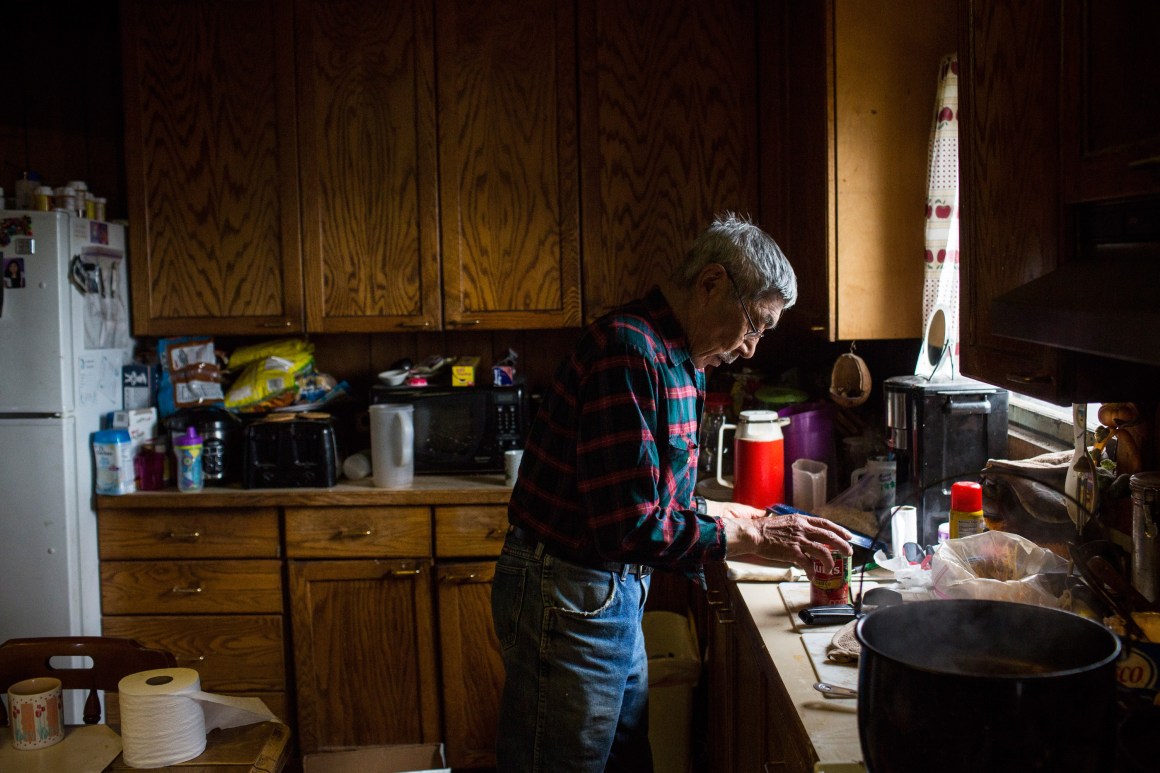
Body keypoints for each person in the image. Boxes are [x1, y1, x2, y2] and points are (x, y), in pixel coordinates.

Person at [492, 212, 853, 772]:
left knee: (625, 758)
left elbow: (654, 498)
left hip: (607, 592)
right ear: (711, 282)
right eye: (754, 325)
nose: (752, 348)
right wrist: (749, 531)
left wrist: (727, 512)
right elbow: (626, 524)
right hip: (569, 594)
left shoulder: (683, 357)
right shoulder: (628, 352)